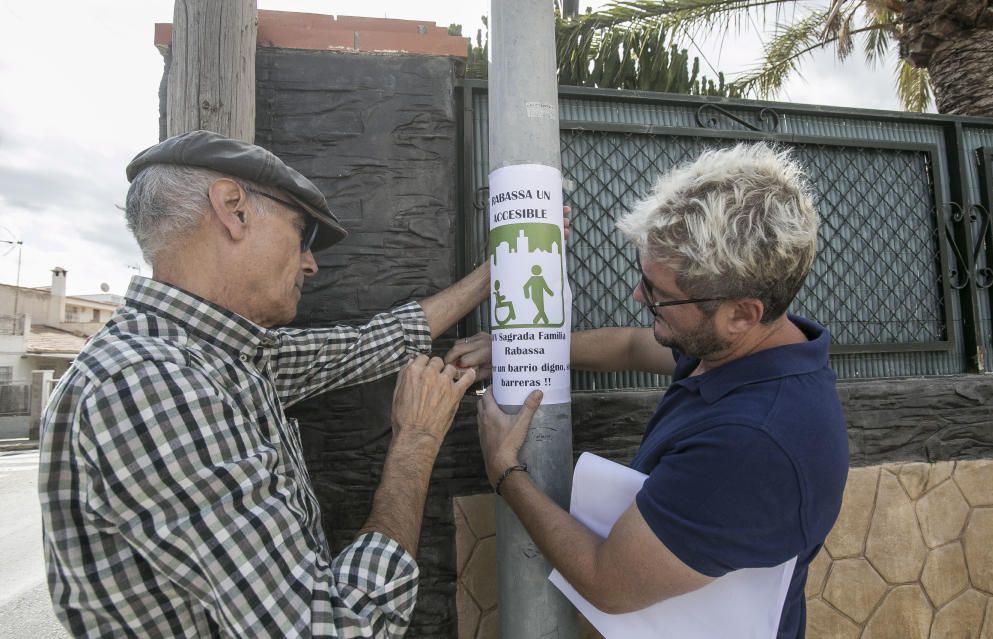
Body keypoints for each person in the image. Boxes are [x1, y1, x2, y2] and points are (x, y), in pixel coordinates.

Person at [38, 130, 488, 638]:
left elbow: (371, 344)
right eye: (302, 234)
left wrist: (493, 274)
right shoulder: (153, 382)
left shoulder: (220, 356)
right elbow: (331, 630)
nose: (311, 262)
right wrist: (417, 440)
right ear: (234, 209)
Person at [448, 143, 850, 638]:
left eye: (659, 292)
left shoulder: (753, 443)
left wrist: (505, 471)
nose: (639, 295)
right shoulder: (744, 347)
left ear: (741, 314)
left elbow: (607, 581)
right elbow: (633, 347)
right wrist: (514, 345)